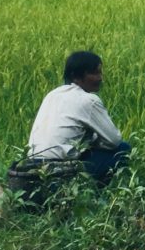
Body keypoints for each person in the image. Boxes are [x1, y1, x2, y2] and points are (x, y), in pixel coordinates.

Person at [24, 51, 131, 185]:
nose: (100, 78)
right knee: (122, 149)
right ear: (76, 76)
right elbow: (114, 140)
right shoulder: (88, 100)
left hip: (32, 165)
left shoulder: (52, 94)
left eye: (100, 73)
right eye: (94, 73)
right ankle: (94, 195)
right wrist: (93, 143)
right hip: (59, 169)